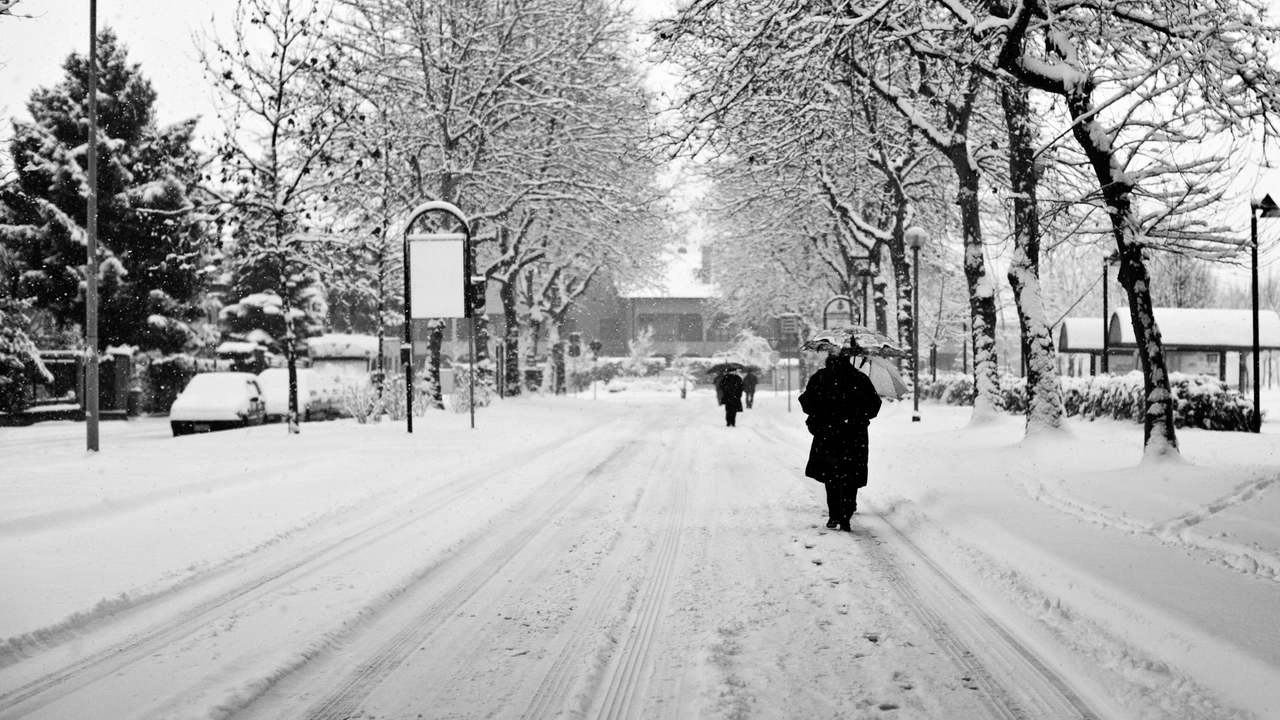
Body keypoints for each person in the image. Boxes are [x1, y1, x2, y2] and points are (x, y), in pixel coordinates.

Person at [798, 346, 881, 532]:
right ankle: (846, 515)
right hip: (854, 436)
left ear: (830, 359)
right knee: (850, 475)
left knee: (832, 476)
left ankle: (834, 513)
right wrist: (858, 414)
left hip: (828, 434)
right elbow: (874, 406)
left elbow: (806, 403)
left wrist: (823, 410)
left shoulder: (820, 378)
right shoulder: (860, 379)